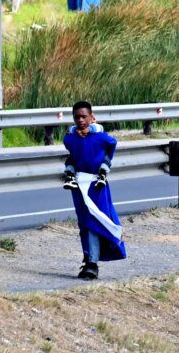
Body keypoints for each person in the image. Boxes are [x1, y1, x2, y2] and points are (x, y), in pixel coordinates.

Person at [62, 101, 126, 279]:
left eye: (84, 116)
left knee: (96, 220)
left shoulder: (100, 137)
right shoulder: (72, 138)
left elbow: (111, 143)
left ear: (92, 117)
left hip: (97, 184)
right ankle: (88, 258)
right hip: (79, 186)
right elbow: (69, 144)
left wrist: (95, 130)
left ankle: (92, 263)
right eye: (77, 117)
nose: (81, 120)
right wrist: (75, 132)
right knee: (84, 222)